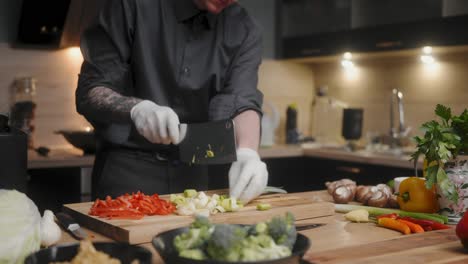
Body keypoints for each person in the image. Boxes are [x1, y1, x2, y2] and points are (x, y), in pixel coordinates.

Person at [75, 0, 268, 203]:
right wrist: (137, 109)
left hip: (194, 174)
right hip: (126, 173)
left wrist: (248, 151)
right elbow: (90, 90)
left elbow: (243, 99)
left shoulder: (245, 28)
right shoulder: (130, 5)